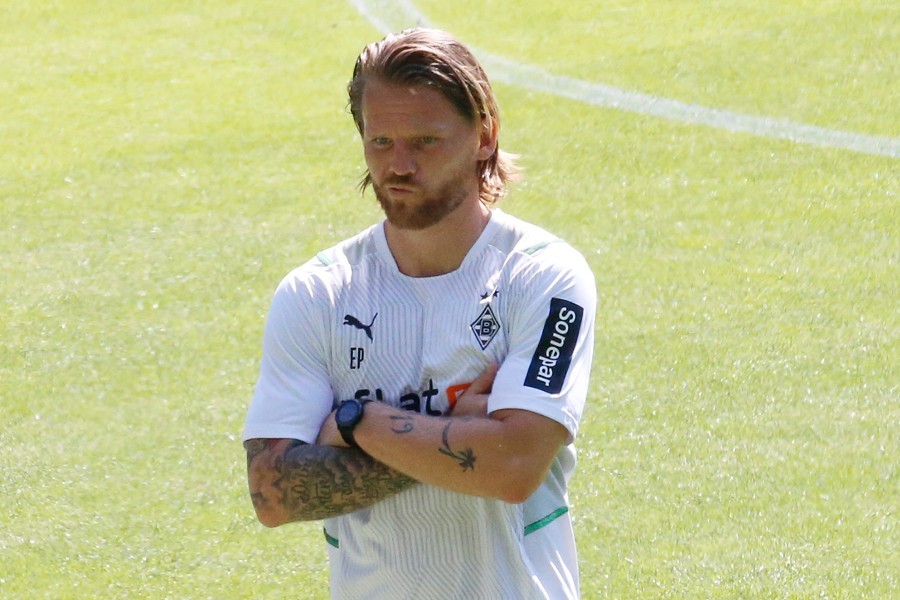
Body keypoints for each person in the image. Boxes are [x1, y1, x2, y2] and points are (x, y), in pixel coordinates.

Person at [242, 27, 596, 599]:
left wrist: (358, 424)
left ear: (485, 136)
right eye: (381, 141)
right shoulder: (318, 293)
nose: (399, 165)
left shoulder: (545, 277)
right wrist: (466, 430)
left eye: (425, 142)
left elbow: (513, 467)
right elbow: (272, 494)